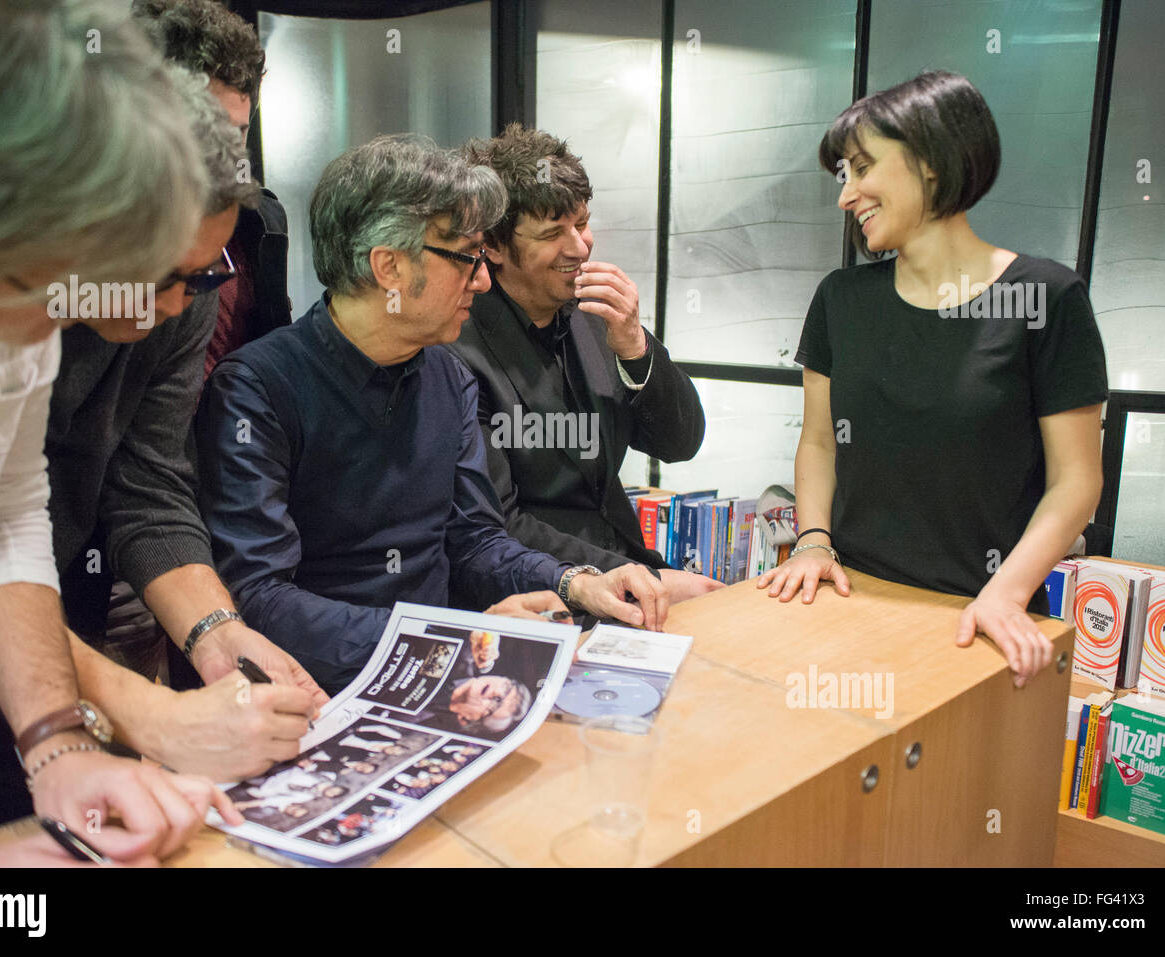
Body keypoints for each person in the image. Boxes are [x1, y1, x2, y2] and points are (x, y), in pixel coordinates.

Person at [0, 66, 319, 831]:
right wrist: (145, 711)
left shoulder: (47, 316)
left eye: (203, 278)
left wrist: (60, 741)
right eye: (165, 275)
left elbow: (2, 520)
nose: (176, 305)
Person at [0, 0, 239, 863]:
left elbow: (0, 517)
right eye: (44, 275)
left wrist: (57, 742)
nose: (75, 308)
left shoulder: (7, 319)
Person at [196, 134, 672, 694]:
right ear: (389, 267)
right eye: (466, 258)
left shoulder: (447, 376)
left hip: (444, 671)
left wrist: (577, 581)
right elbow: (260, 597)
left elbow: (474, 539)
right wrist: (448, 638)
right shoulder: (257, 389)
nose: (483, 279)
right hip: (315, 692)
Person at [757, 72, 1107, 688]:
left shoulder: (1046, 296)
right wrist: (813, 542)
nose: (847, 195)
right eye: (844, 174)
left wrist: (1006, 593)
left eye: (863, 168)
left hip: (979, 618)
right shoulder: (841, 298)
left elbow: (1076, 480)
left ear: (932, 164)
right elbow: (818, 441)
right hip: (847, 599)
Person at [448, 125, 721, 605]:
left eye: (583, 223)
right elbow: (499, 526)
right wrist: (636, 578)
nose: (579, 247)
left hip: (629, 571)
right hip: (539, 593)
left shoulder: (596, 317)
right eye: (554, 233)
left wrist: (635, 346)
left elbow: (681, 442)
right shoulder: (458, 348)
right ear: (491, 246)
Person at [131, 0, 293, 380]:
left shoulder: (262, 220)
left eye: (238, 131)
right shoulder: (114, 231)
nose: (224, 151)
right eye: (206, 128)